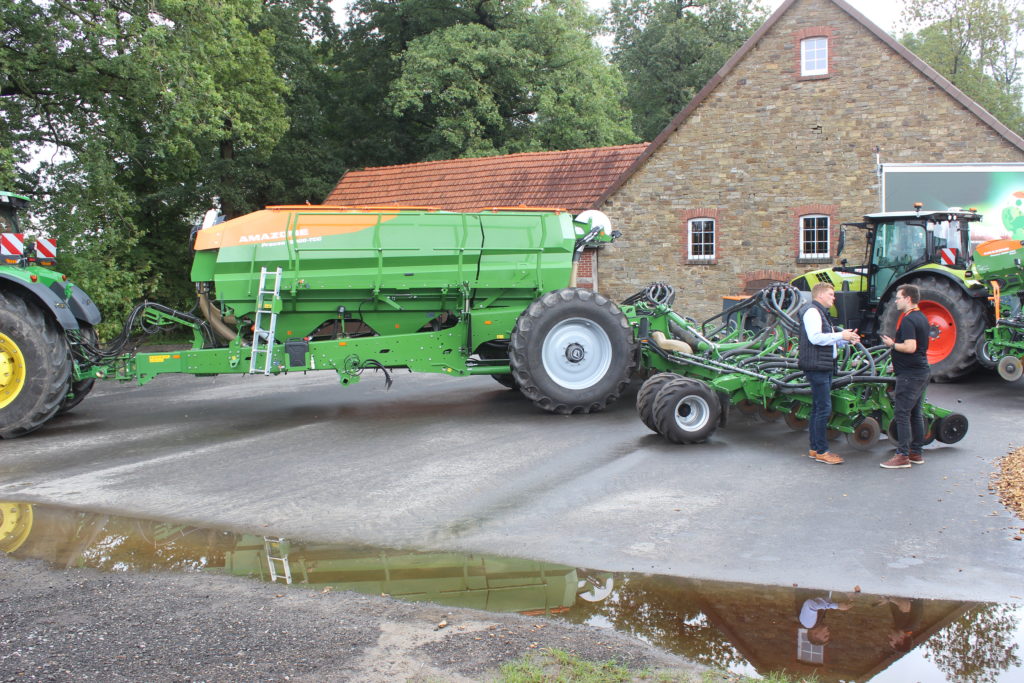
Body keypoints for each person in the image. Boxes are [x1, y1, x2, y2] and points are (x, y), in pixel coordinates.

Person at [798, 283, 860, 465]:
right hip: (817, 367)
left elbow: (826, 340)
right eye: (831, 295)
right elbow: (815, 338)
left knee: (819, 408)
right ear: (821, 295)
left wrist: (845, 339)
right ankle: (822, 451)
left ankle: (815, 448)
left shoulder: (820, 312)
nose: (834, 298)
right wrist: (841, 336)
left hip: (822, 365)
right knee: (823, 408)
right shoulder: (812, 312)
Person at [880, 284, 930, 469]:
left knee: (902, 413)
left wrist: (892, 345)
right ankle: (916, 452)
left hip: (910, 375)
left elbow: (910, 347)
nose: (896, 301)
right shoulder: (921, 317)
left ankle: (902, 456)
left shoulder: (909, 320)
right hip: (920, 371)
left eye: (899, 297)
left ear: (908, 299)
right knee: (915, 413)